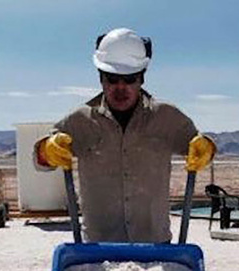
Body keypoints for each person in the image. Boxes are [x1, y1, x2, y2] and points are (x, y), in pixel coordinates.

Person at [34, 27, 216, 243]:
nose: (121, 88)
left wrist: (207, 149)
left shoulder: (168, 117)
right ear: (100, 78)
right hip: (98, 250)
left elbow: (201, 147)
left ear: (142, 79)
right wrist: (47, 150)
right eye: (112, 79)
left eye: (129, 79)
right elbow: (40, 162)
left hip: (155, 247)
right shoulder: (80, 120)